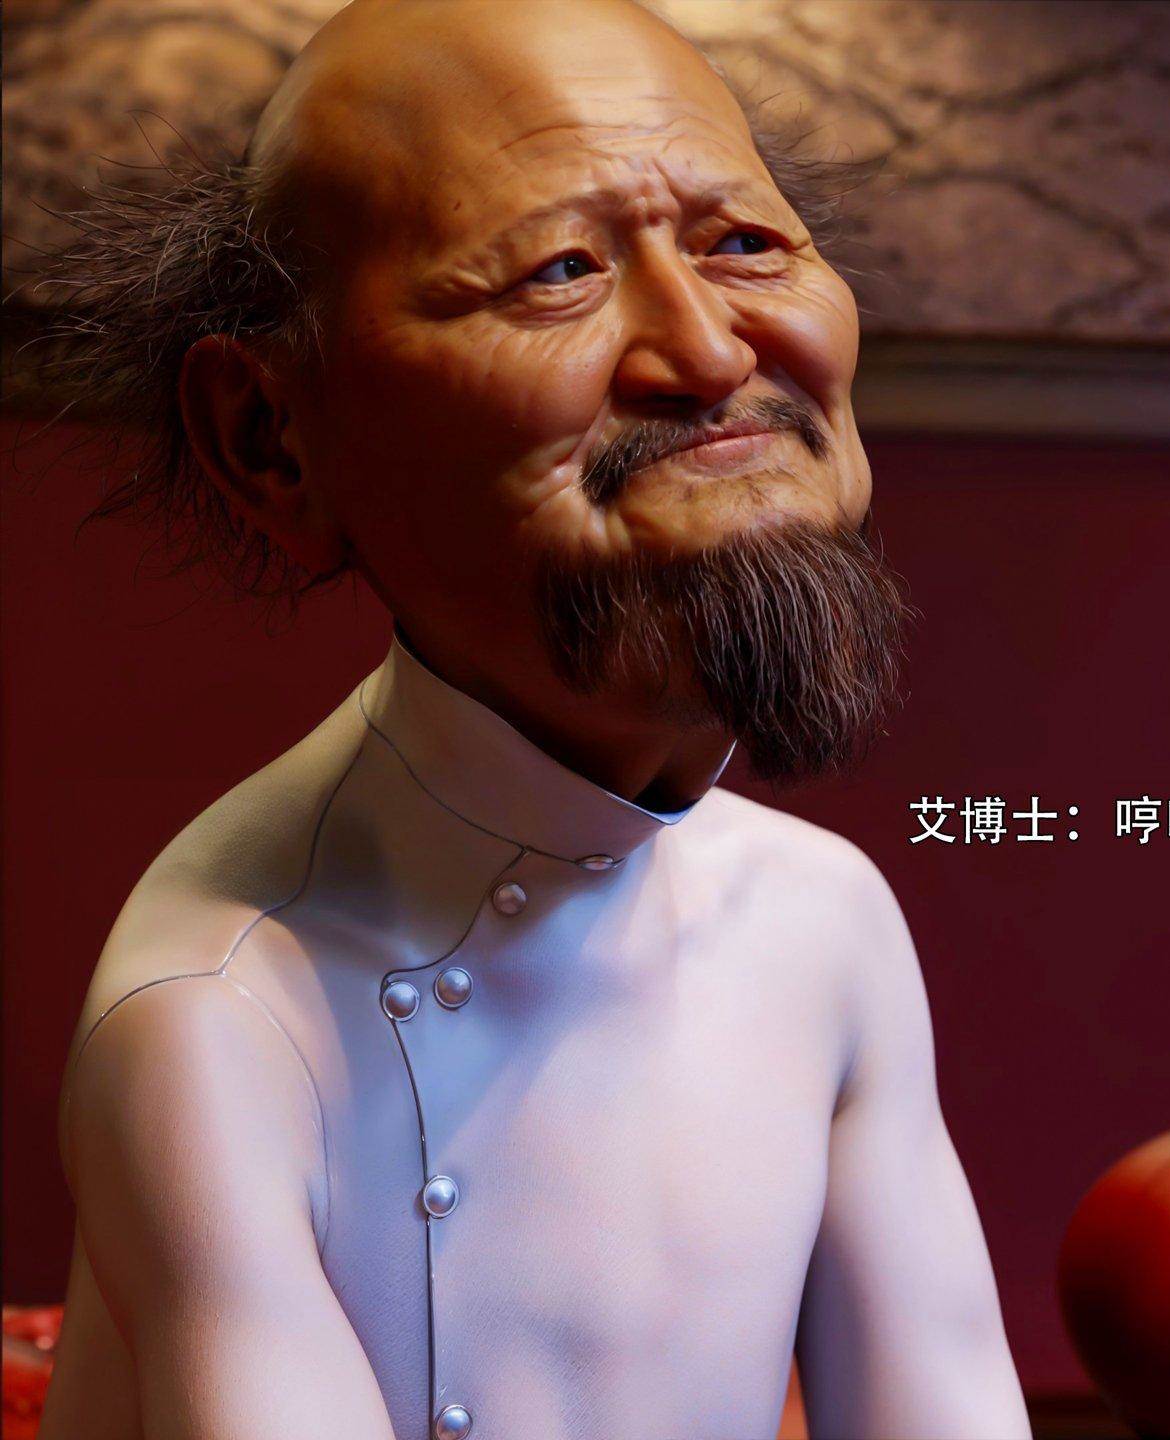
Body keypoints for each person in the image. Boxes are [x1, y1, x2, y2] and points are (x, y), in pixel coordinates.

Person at [33, 2, 1030, 1436]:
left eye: (745, 243)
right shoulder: (219, 1016)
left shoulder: (826, 919)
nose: (707, 352)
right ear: (272, 438)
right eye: (559, 271)